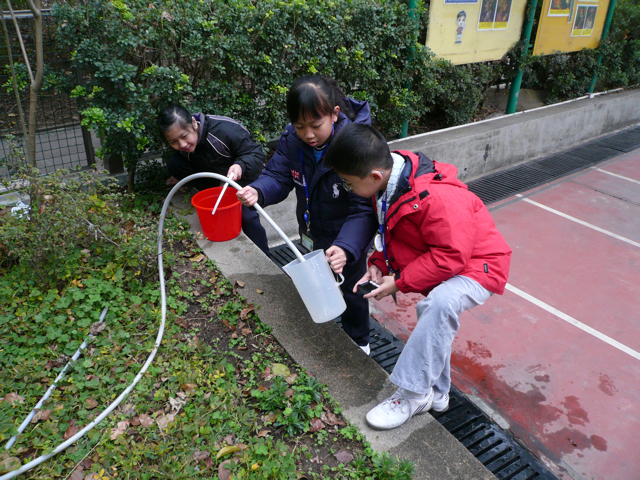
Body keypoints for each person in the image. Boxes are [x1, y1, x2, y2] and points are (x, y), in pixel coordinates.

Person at [323, 123, 512, 430]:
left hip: (480, 264)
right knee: (436, 323)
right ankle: (438, 393)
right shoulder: (392, 183)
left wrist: (399, 282)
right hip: (452, 261)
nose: (348, 190)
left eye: (348, 184)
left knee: (437, 306)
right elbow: (395, 233)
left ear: (372, 177)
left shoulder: (436, 197)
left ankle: (413, 394)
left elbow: (452, 255)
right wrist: (380, 265)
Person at [237, 76, 378, 353]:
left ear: (334, 114)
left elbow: (364, 208)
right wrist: (258, 191)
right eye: (300, 126)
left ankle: (360, 340)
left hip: (346, 236)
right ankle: (325, 326)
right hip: (313, 229)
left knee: (351, 288)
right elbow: (278, 175)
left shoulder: (354, 147)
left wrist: (347, 247)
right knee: (319, 282)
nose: (308, 134)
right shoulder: (293, 141)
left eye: (315, 125)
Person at [157, 104, 270, 254]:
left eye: (184, 136)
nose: (182, 144)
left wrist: (241, 166)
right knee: (175, 164)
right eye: (173, 142)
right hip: (217, 175)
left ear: (193, 123)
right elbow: (184, 159)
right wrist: (181, 176)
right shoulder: (186, 145)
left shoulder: (225, 131)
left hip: (243, 175)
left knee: (246, 215)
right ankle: (216, 198)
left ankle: (264, 254)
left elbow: (257, 155)